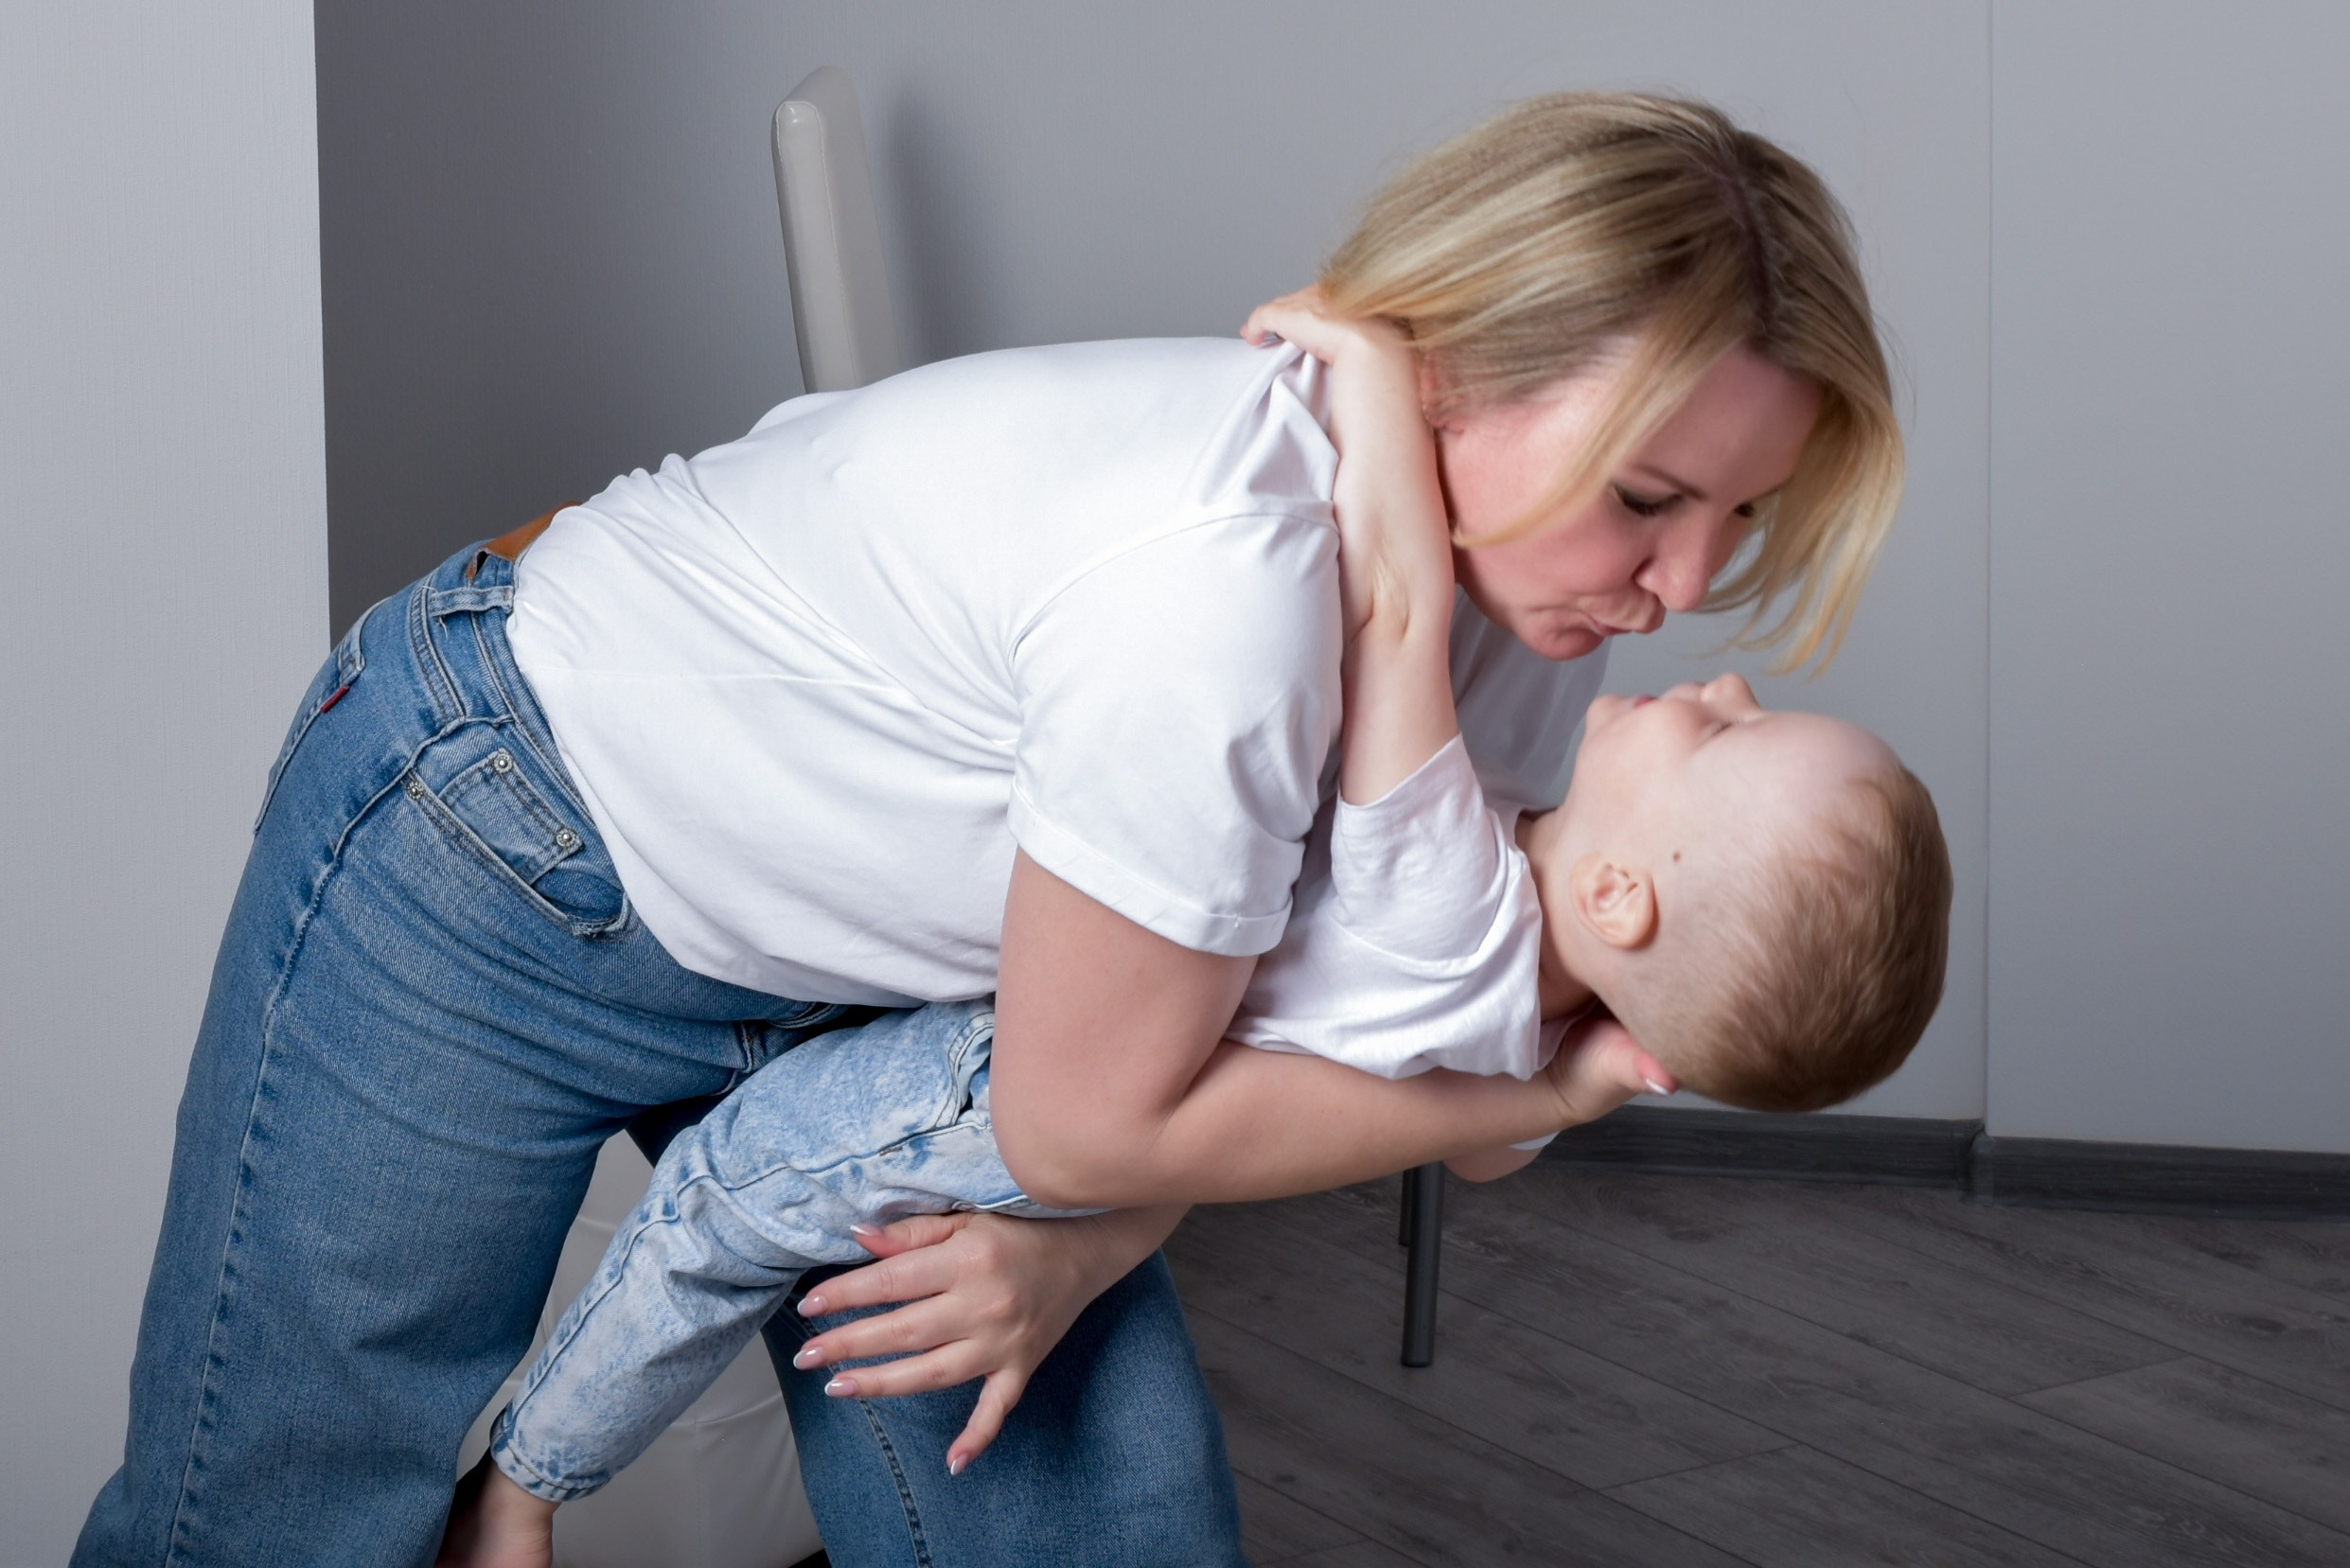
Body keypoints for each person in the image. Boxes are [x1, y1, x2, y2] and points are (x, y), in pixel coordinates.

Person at [76, 91, 1905, 1568]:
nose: (1684, 589)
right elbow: (1105, 1115)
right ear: (1451, 372)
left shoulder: (1531, 618)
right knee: (280, 1517)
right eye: (1647, 497)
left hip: (937, 995)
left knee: (1088, 1520)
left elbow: (1311, 1026)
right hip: (513, 837)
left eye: (1737, 515)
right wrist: (1543, 1090)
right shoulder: (1221, 585)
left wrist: (1079, 1246)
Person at [435, 295, 1950, 1564]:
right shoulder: (1528, 1024)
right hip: (1108, 1074)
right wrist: (1579, 1077)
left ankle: (521, 1489)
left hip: (988, 1088)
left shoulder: (1455, 903)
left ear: (1623, 896)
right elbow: (1479, 1141)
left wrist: (1376, 377)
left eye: (1731, 735)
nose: (1724, 677)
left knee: (717, 1210)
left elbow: (1398, 610)